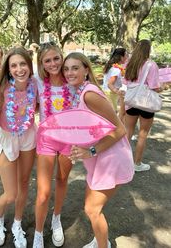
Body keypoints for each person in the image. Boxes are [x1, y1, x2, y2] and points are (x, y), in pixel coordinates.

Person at [63, 52, 134, 248]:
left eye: (75, 68)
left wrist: (90, 151)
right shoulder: (79, 91)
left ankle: (103, 245)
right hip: (99, 157)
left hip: (111, 158)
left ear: (86, 69)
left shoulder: (90, 94)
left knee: (92, 209)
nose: (69, 72)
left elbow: (120, 129)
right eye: (66, 69)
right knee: (92, 208)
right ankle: (100, 239)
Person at [0, 47, 38, 248]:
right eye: (14, 65)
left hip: (29, 136)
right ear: (8, 68)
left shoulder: (35, 85)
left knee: (24, 183)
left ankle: (17, 224)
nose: (19, 69)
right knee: (11, 193)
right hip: (7, 138)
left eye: (23, 64)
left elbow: (39, 107)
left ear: (30, 66)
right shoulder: (2, 89)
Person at [33, 42, 73, 248]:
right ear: (41, 62)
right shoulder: (38, 81)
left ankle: (56, 218)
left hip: (69, 139)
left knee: (62, 180)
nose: (53, 63)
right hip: (47, 139)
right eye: (47, 60)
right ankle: (38, 233)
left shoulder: (73, 81)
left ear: (62, 57)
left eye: (56, 58)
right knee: (43, 192)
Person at [124, 40, 162, 172]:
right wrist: (163, 87)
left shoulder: (129, 63)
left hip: (132, 101)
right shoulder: (151, 65)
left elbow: (126, 81)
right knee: (142, 135)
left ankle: (123, 161)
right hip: (146, 103)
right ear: (148, 50)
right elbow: (154, 87)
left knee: (128, 132)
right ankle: (137, 164)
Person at [102, 48, 127, 121]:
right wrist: (118, 92)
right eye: (126, 55)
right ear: (121, 57)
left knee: (110, 115)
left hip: (108, 93)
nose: (127, 57)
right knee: (112, 115)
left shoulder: (112, 67)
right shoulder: (116, 70)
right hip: (110, 94)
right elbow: (110, 84)